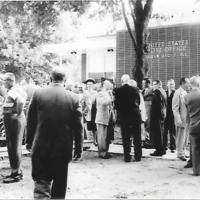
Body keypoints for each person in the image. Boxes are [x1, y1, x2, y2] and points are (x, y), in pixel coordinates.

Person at [26, 67, 82, 199]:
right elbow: (78, 127)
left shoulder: (38, 94)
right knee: (59, 186)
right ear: (65, 80)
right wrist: (78, 148)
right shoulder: (73, 98)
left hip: (41, 147)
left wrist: (29, 142)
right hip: (63, 149)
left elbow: (31, 120)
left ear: (50, 79)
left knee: (41, 184)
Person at [2, 72, 27, 183]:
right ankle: (17, 170)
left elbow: (20, 102)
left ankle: (15, 173)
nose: (3, 82)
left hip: (13, 121)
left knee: (13, 147)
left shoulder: (13, 91)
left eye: (4, 80)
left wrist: (17, 113)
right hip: (14, 120)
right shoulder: (17, 89)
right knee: (15, 146)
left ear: (10, 80)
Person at [114, 74, 142, 162]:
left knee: (126, 138)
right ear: (129, 80)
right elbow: (139, 102)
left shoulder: (118, 91)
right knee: (137, 137)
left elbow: (116, 105)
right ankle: (138, 157)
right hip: (135, 116)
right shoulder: (135, 90)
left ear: (122, 81)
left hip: (124, 117)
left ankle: (127, 157)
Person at [184, 76, 200, 175]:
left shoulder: (186, 97)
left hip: (193, 124)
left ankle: (196, 170)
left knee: (194, 148)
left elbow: (187, 114)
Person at [172, 77, 190, 161]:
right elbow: (175, 107)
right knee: (180, 137)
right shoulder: (177, 93)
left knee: (185, 137)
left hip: (187, 119)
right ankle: (180, 153)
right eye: (187, 83)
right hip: (181, 119)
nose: (189, 84)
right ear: (183, 83)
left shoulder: (185, 92)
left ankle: (183, 151)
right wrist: (178, 119)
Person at [95, 80, 113, 159]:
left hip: (106, 117)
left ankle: (105, 151)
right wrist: (111, 100)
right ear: (105, 85)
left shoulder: (108, 93)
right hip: (101, 117)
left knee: (105, 135)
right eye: (109, 86)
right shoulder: (100, 93)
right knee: (101, 136)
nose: (110, 88)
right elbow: (102, 103)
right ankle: (102, 153)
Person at [150, 80, 167, 156]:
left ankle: (158, 150)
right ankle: (162, 149)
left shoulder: (157, 92)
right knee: (161, 133)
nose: (152, 86)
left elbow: (156, 106)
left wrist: (153, 116)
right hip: (162, 115)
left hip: (156, 116)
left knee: (157, 134)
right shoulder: (163, 91)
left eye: (154, 84)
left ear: (158, 84)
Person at [163, 79, 176, 153]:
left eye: (173, 84)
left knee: (172, 131)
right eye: (170, 84)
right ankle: (164, 146)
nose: (172, 85)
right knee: (164, 131)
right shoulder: (165, 93)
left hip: (172, 115)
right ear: (167, 85)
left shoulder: (175, 93)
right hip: (165, 115)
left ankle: (172, 146)